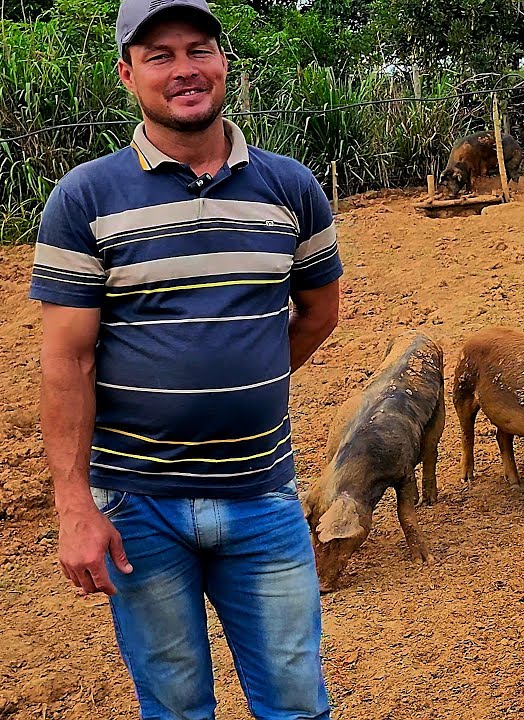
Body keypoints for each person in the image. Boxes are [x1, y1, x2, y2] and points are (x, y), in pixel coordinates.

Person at [31, 0, 341, 716]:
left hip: (263, 495)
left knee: (296, 699)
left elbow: (320, 313)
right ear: (127, 73)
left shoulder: (290, 187)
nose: (184, 71)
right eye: (159, 56)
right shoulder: (85, 198)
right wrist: (74, 506)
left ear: (223, 62)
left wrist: (240, 377)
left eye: (197, 49)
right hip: (138, 506)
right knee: (173, 706)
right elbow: (66, 363)